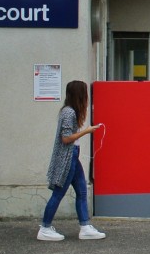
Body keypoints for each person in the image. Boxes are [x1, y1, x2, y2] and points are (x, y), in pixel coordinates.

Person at [38, 80, 106, 241]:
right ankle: (45, 228)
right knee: (58, 193)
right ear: (80, 95)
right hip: (68, 158)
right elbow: (66, 138)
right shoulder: (69, 113)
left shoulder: (68, 111)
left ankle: (85, 226)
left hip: (73, 156)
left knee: (82, 191)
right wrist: (87, 131)